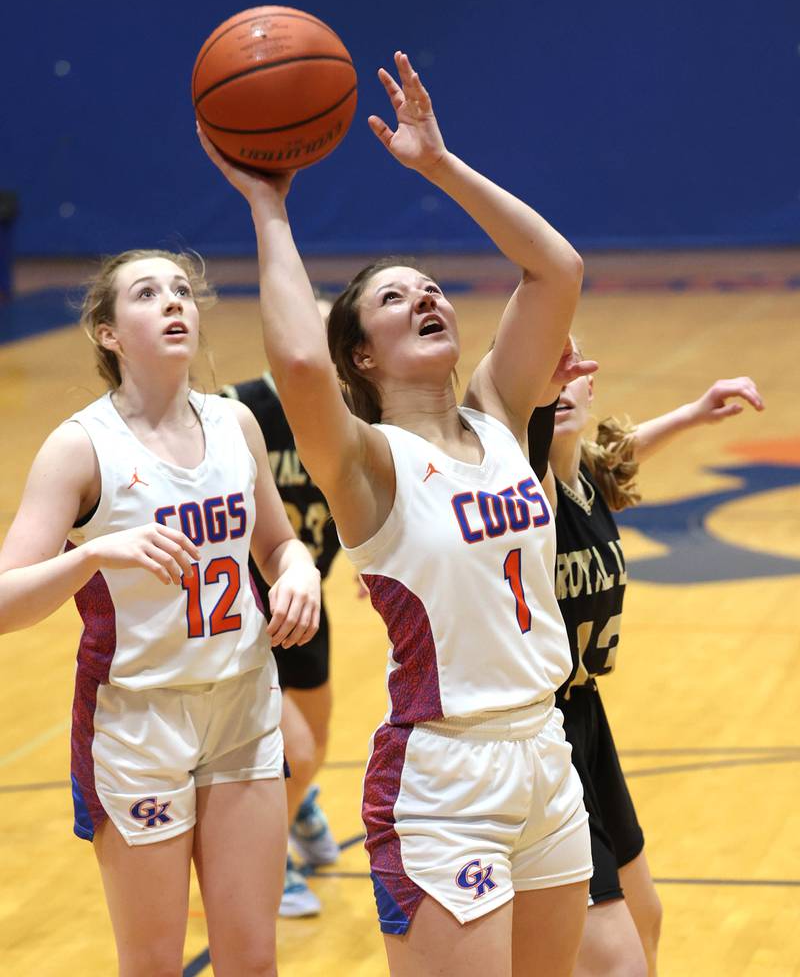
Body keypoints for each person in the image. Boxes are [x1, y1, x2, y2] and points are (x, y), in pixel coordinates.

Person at [200, 51, 598, 976]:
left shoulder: (501, 411)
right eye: (392, 297)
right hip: (444, 779)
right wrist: (269, 207)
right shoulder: (370, 463)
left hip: (545, 747)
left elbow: (557, 270)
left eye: (429, 287)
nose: (424, 295)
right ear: (364, 359)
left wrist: (440, 165)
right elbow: (299, 368)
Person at [0, 250, 321, 977]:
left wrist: (299, 570)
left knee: (253, 959)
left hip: (241, 704)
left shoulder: (236, 423)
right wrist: (89, 557)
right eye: (147, 294)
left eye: (182, 290)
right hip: (137, 721)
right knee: (150, 963)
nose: (174, 302)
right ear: (109, 333)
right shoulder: (80, 447)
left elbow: (277, 546)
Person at [528, 362, 764, 976]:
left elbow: (613, 454)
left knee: (645, 918)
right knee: (613, 962)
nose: (558, 383)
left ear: (590, 383)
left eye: (568, 367)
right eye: (540, 368)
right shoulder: (522, 488)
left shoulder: (583, 475)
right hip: (538, 730)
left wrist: (693, 412)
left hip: (587, 717)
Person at [222, 354, 342, 919]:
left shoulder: (344, 408)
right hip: (247, 603)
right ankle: (273, 857)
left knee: (316, 744)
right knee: (295, 749)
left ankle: (296, 808)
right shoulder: (238, 408)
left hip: (309, 596)